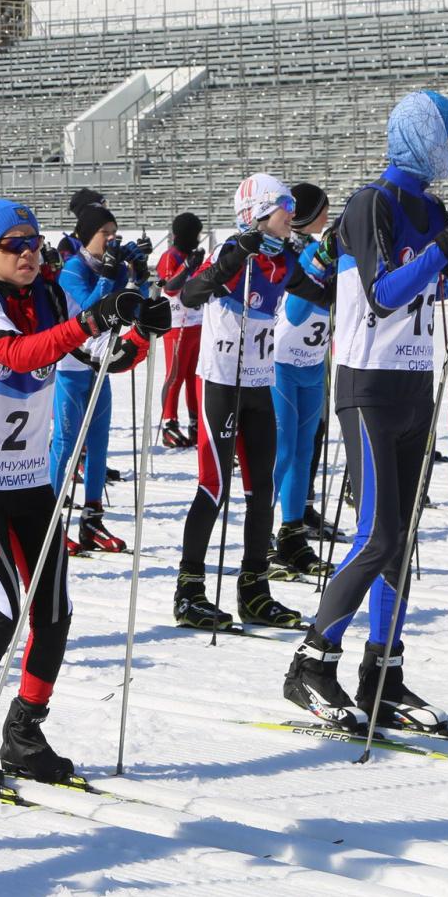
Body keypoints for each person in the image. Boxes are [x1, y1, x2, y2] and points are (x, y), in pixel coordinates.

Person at [0, 198, 165, 793]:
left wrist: (139, 332)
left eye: (34, 243)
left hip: (31, 477)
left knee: (53, 611)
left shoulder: (51, 298)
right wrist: (90, 320)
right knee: (2, 612)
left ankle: (24, 733)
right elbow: (18, 354)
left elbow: (97, 359)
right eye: (15, 245)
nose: (30, 253)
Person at [283, 92, 448, 732]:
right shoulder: (372, 201)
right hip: (368, 384)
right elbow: (381, 295)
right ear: (424, 136)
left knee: (400, 542)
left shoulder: (431, 206)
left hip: (413, 386)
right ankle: (312, 664)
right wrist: (447, 242)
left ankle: (383, 671)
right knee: (375, 536)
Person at [174, 173, 306, 632]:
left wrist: (333, 259)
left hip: (257, 385)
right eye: (283, 205)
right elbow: (189, 293)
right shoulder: (231, 252)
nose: (291, 212)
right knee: (214, 488)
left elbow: (320, 292)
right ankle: (188, 591)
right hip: (220, 386)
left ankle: (254, 589)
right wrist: (232, 258)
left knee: (261, 490)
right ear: (257, 213)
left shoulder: (282, 261)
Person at [50, 200, 149, 555]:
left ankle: (92, 519)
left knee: (99, 445)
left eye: (113, 233)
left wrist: (140, 274)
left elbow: (140, 308)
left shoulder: (112, 266)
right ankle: (49, 520)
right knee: (65, 444)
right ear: (85, 236)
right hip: (70, 367)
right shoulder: (72, 269)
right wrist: (108, 275)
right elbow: (92, 308)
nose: (110, 239)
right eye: (104, 233)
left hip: (100, 364)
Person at [270, 184, 336, 579]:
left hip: (312, 364)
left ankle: (292, 537)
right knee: (281, 454)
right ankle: (259, 536)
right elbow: (294, 311)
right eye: (324, 209)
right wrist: (317, 263)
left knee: (304, 453)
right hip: (280, 364)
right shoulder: (290, 252)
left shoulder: (321, 249)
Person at [155, 212, 207, 449]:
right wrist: (187, 267)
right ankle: (169, 423)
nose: (196, 239)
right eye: (193, 234)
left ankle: (196, 422)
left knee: (193, 376)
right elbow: (170, 287)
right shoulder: (171, 256)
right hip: (177, 325)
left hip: (196, 322)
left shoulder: (189, 254)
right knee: (175, 375)